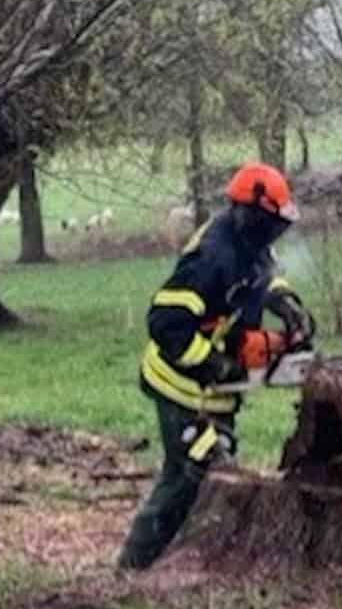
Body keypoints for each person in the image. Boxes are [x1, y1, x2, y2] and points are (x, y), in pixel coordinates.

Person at [116, 162, 317, 571]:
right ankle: (133, 567)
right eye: (272, 224)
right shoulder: (212, 258)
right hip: (180, 383)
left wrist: (285, 302)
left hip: (217, 392)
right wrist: (214, 363)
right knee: (187, 476)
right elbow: (165, 323)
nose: (276, 233)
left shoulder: (250, 243)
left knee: (215, 472)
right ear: (249, 214)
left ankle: (186, 557)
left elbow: (261, 277)